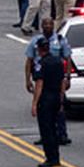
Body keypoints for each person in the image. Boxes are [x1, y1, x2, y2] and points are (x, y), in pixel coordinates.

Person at [24, 17, 72, 146]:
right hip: (40, 76)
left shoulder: (60, 40)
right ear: (41, 26)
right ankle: (45, 135)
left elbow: (68, 59)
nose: (48, 26)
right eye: (45, 24)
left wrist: (68, 77)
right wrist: (27, 80)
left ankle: (62, 134)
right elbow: (29, 61)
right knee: (43, 108)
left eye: (50, 24)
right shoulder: (35, 41)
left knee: (59, 106)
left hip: (56, 78)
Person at [32, 38, 66, 167]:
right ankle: (55, 156)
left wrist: (35, 103)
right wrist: (61, 99)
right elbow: (63, 81)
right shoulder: (58, 61)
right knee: (54, 128)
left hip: (46, 99)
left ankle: (50, 157)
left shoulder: (41, 63)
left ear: (40, 49)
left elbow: (39, 84)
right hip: (56, 97)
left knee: (46, 130)